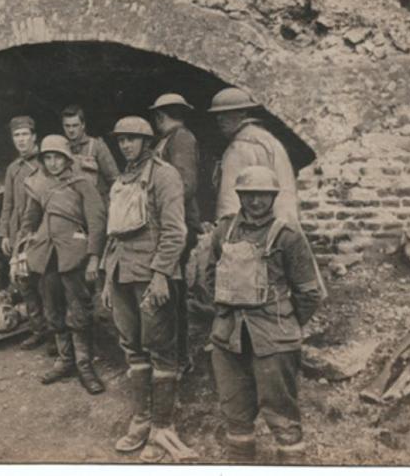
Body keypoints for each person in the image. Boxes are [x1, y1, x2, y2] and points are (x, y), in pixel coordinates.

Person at [205, 166, 322, 463]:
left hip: (273, 337)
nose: (256, 201)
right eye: (249, 194)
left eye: (263, 195)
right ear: (240, 195)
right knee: (235, 410)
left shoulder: (288, 236)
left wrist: (285, 324)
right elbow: (208, 277)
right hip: (228, 336)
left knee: (281, 410)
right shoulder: (224, 230)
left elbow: (309, 292)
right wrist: (222, 311)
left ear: (273, 197)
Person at [102, 117, 193, 462]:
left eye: (132, 139)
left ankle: (163, 426)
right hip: (122, 275)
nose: (125, 145)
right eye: (121, 140)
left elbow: (175, 232)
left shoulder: (164, 175)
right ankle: (141, 419)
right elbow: (114, 233)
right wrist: (108, 278)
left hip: (151, 275)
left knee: (160, 348)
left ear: (145, 140)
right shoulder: (123, 178)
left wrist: (160, 275)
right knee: (132, 347)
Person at [22, 134, 107, 394]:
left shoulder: (82, 183)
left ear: (67, 158)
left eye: (57, 157)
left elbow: (97, 221)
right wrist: (25, 242)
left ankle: (84, 365)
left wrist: (94, 256)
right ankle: (65, 360)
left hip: (73, 254)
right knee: (52, 309)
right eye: (48, 158)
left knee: (78, 309)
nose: (53, 162)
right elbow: (30, 219)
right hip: (46, 256)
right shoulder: (40, 186)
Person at [149, 93, 201, 374]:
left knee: (174, 292)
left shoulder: (180, 139)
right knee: (170, 290)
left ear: (160, 116)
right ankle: (174, 353)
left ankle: (180, 357)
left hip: (178, 224)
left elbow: (186, 184)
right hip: (171, 223)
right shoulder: (170, 140)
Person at [208, 87, 298, 224]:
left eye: (226, 113)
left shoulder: (239, 148)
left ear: (243, 113)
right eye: (217, 115)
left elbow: (229, 201)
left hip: (252, 229)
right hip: (282, 223)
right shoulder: (269, 141)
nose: (220, 119)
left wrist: (223, 228)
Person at [0, 115, 49, 351]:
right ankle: (38, 330)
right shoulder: (13, 169)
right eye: (16, 135)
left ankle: (57, 333)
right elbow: (7, 204)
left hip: (42, 231)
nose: (21, 140)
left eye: (25, 134)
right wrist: (6, 234)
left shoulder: (46, 162)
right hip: (20, 233)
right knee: (25, 283)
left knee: (46, 283)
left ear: (34, 136)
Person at [61, 104, 119, 200]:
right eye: (67, 126)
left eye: (75, 125)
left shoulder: (97, 146)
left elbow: (114, 179)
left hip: (96, 204)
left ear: (83, 125)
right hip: (71, 205)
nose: (71, 130)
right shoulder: (62, 147)